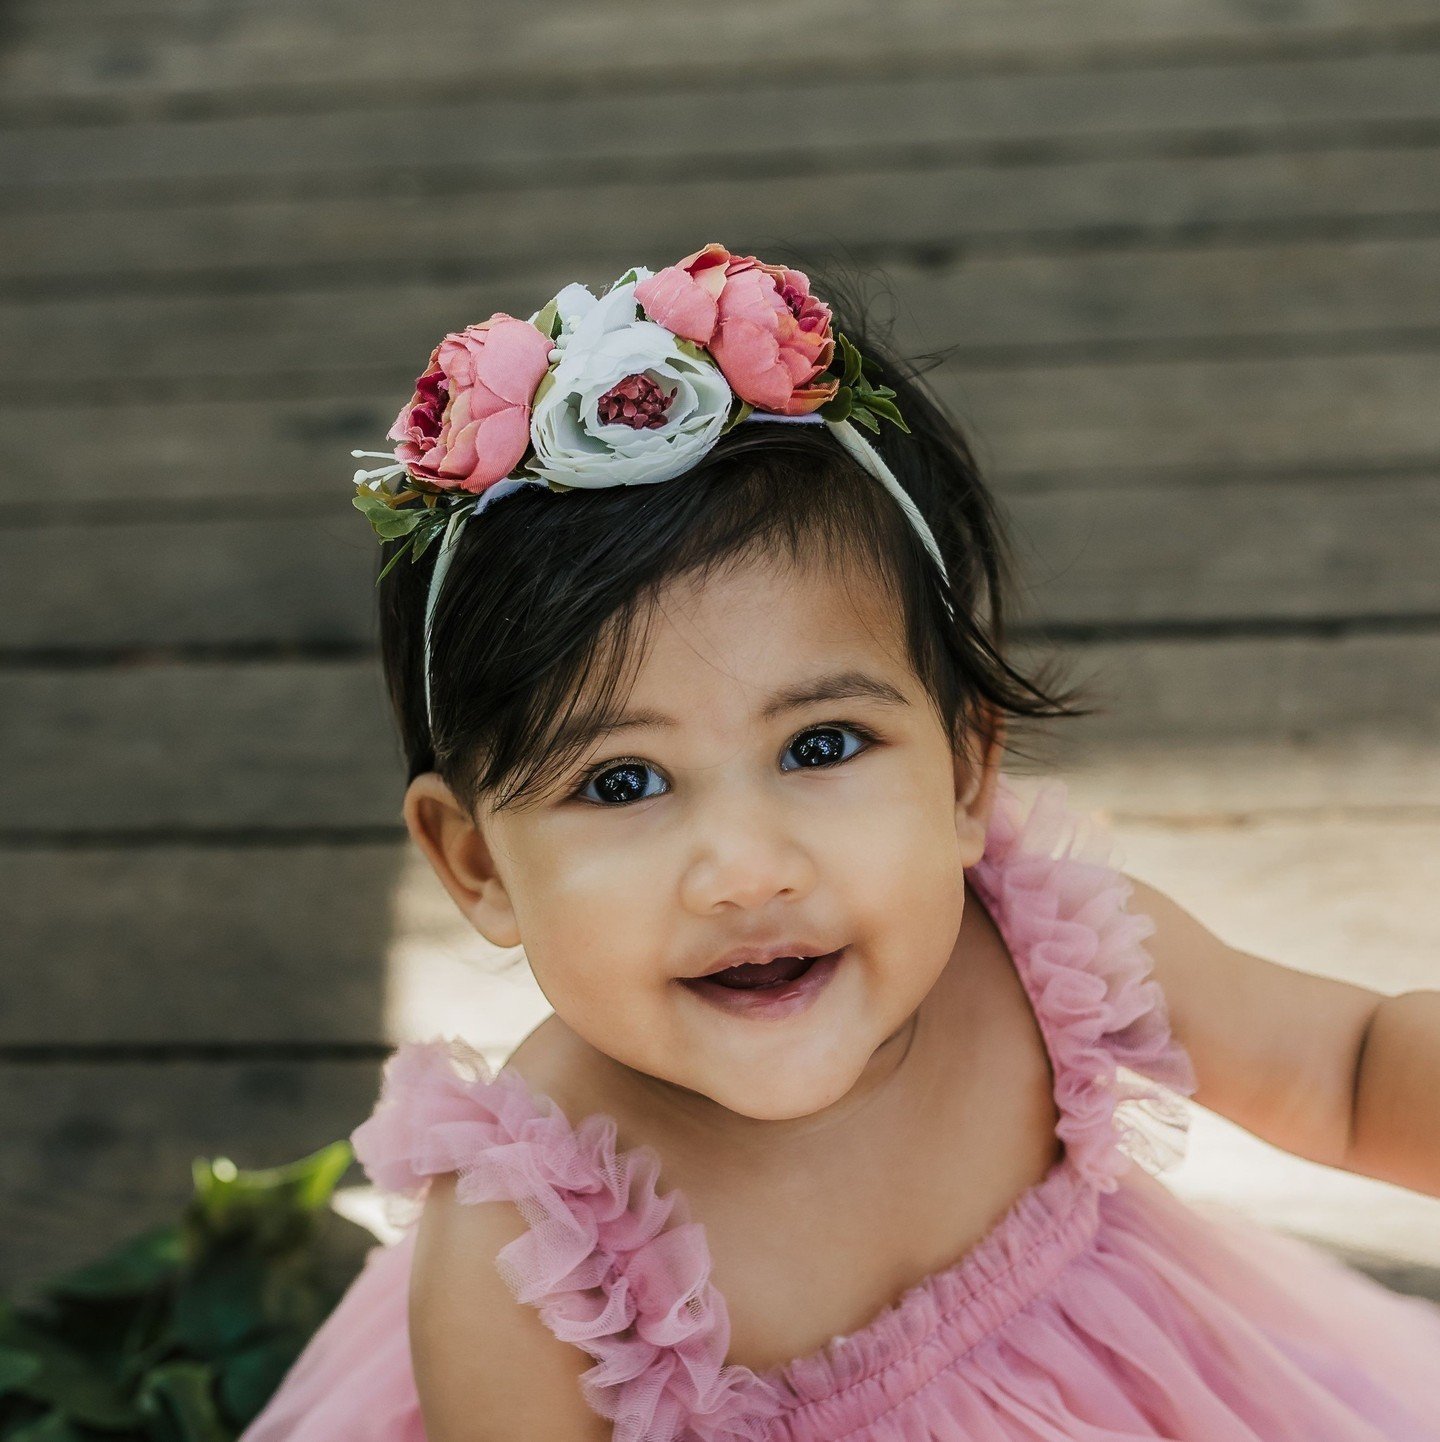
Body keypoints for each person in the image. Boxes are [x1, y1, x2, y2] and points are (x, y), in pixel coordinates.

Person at [238, 244, 1440, 1441]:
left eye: (820, 747)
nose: (748, 868)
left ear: (965, 769)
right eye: (623, 779)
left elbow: (1345, 1071)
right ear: (478, 863)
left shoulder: (1047, 954)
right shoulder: (533, 1249)